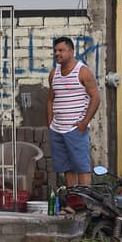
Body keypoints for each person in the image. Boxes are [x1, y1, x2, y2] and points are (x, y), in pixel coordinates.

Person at [46, 36, 101, 212]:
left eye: (61, 50)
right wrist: (50, 123)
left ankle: (86, 205)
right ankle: (73, 204)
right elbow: (50, 100)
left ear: (71, 51)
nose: (57, 54)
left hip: (75, 128)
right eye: (55, 51)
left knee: (81, 167)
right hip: (58, 128)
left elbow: (96, 98)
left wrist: (85, 122)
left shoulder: (83, 72)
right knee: (67, 168)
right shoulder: (53, 74)